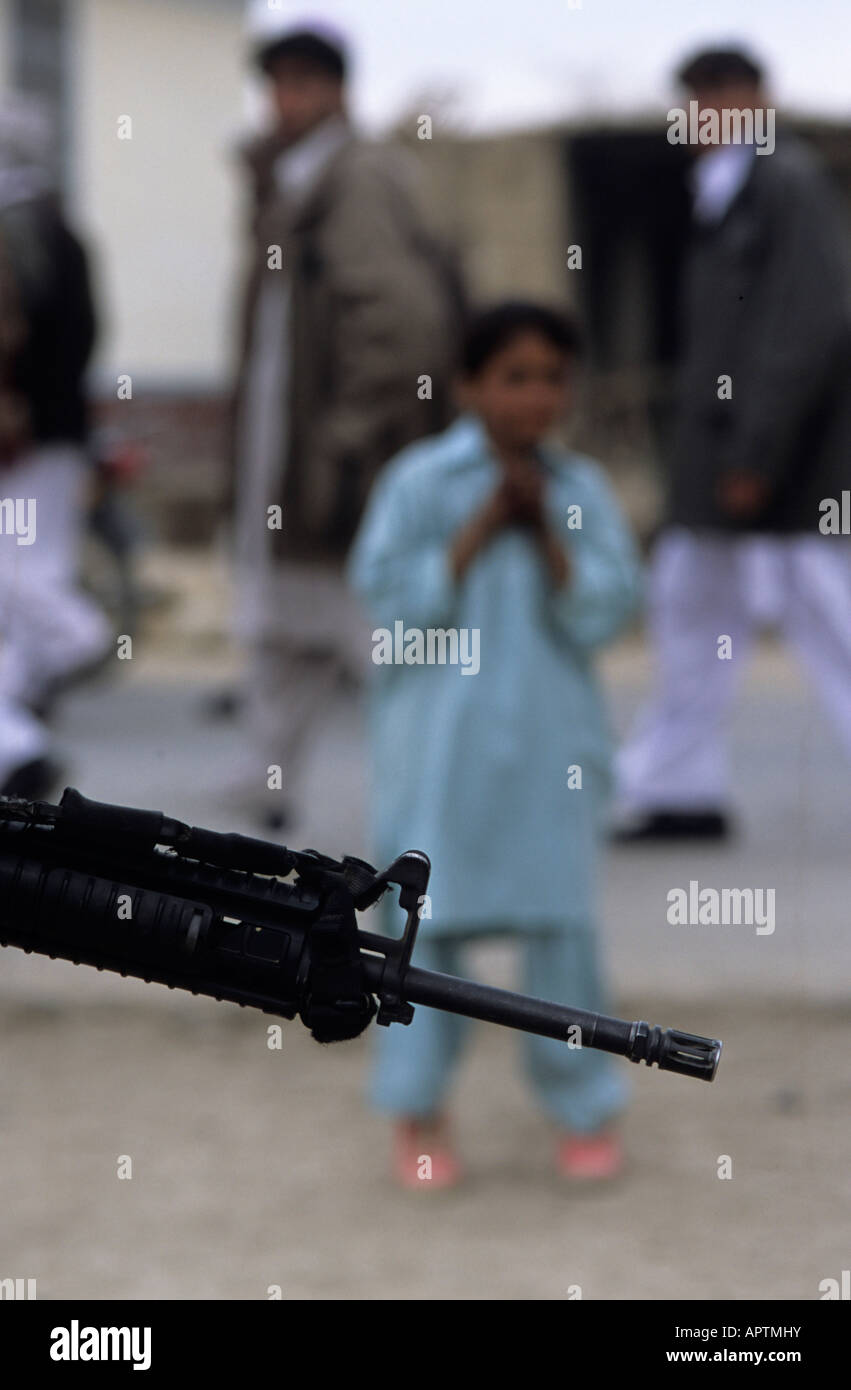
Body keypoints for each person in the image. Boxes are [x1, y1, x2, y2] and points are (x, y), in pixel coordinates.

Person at [348, 302, 642, 1188]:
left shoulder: (580, 490)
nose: (535, 396)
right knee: (419, 933)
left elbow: (607, 609)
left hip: (546, 747)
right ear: (470, 386)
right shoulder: (421, 483)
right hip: (437, 750)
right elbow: (390, 602)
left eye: (552, 377)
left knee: (560, 933)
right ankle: (418, 1110)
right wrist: (477, 529)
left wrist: (546, 537)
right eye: (514, 377)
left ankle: (580, 1105)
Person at [615, 47, 851, 841]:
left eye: (713, 94)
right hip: (717, 466)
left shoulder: (787, 183)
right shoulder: (723, 191)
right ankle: (676, 789)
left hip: (781, 469)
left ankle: (673, 785)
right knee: (690, 619)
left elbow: (806, 328)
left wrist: (756, 452)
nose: (698, 112)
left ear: (751, 97)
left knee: (830, 627)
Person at [228, 21, 459, 827]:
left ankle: (442, 798)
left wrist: (348, 440)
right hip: (289, 449)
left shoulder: (355, 179)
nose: (280, 103)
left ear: (333, 90)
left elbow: (397, 321)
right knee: (286, 627)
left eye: (297, 85)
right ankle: (268, 781)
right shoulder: (293, 180)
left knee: (368, 632)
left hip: (337, 460)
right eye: (274, 85)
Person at [0, 95, 109, 799]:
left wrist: (18, 405)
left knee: (24, 584)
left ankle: (82, 637)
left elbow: (29, 331)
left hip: (27, 442)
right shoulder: (59, 224)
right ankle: (18, 750)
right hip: (51, 436)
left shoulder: (21, 224)